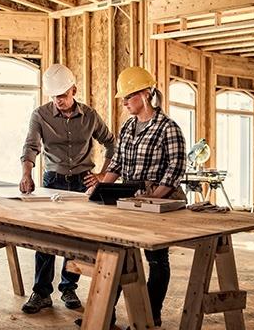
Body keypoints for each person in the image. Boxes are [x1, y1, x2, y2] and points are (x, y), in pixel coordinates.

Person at [19, 64, 116, 315]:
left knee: (75, 239)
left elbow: (111, 143)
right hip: (52, 182)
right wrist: (26, 174)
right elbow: (31, 146)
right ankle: (41, 293)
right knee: (45, 239)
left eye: (62, 95)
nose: (58, 101)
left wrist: (103, 176)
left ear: (74, 90)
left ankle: (68, 287)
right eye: (54, 97)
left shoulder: (91, 116)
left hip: (83, 183)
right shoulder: (40, 115)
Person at [102, 66, 186, 328]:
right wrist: (101, 190)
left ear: (146, 94)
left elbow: (175, 170)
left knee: (157, 259)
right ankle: (105, 314)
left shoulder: (168, 128)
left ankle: (150, 317)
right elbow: (115, 165)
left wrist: (152, 199)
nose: (124, 102)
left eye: (129, 96)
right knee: (117, 257)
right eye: (124, 98)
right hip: (130, 201)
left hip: (159, 202)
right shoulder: (127, 127)